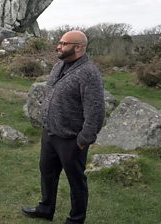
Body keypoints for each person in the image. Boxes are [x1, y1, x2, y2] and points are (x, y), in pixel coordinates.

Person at [21, 30, 105, 224]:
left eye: (63, 43)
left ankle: (76, 219)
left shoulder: (89, 74)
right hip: (50, 134)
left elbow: (96, 112)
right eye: (59, 42)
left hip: (71, 140)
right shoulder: (59, 65)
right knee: (47, 172)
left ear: (78, 48)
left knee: (76, 181)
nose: (58, 46)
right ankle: (45, 209)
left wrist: (83, 141)